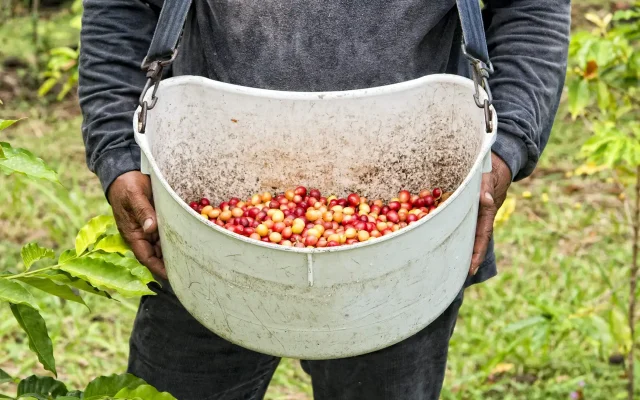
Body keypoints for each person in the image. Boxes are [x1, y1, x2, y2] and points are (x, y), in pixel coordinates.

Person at [78, 1, 570, 399]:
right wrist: (117, 152)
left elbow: (531, 8)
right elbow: (121, 7)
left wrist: (505, 148)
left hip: (407, 240)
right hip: (203, 216)